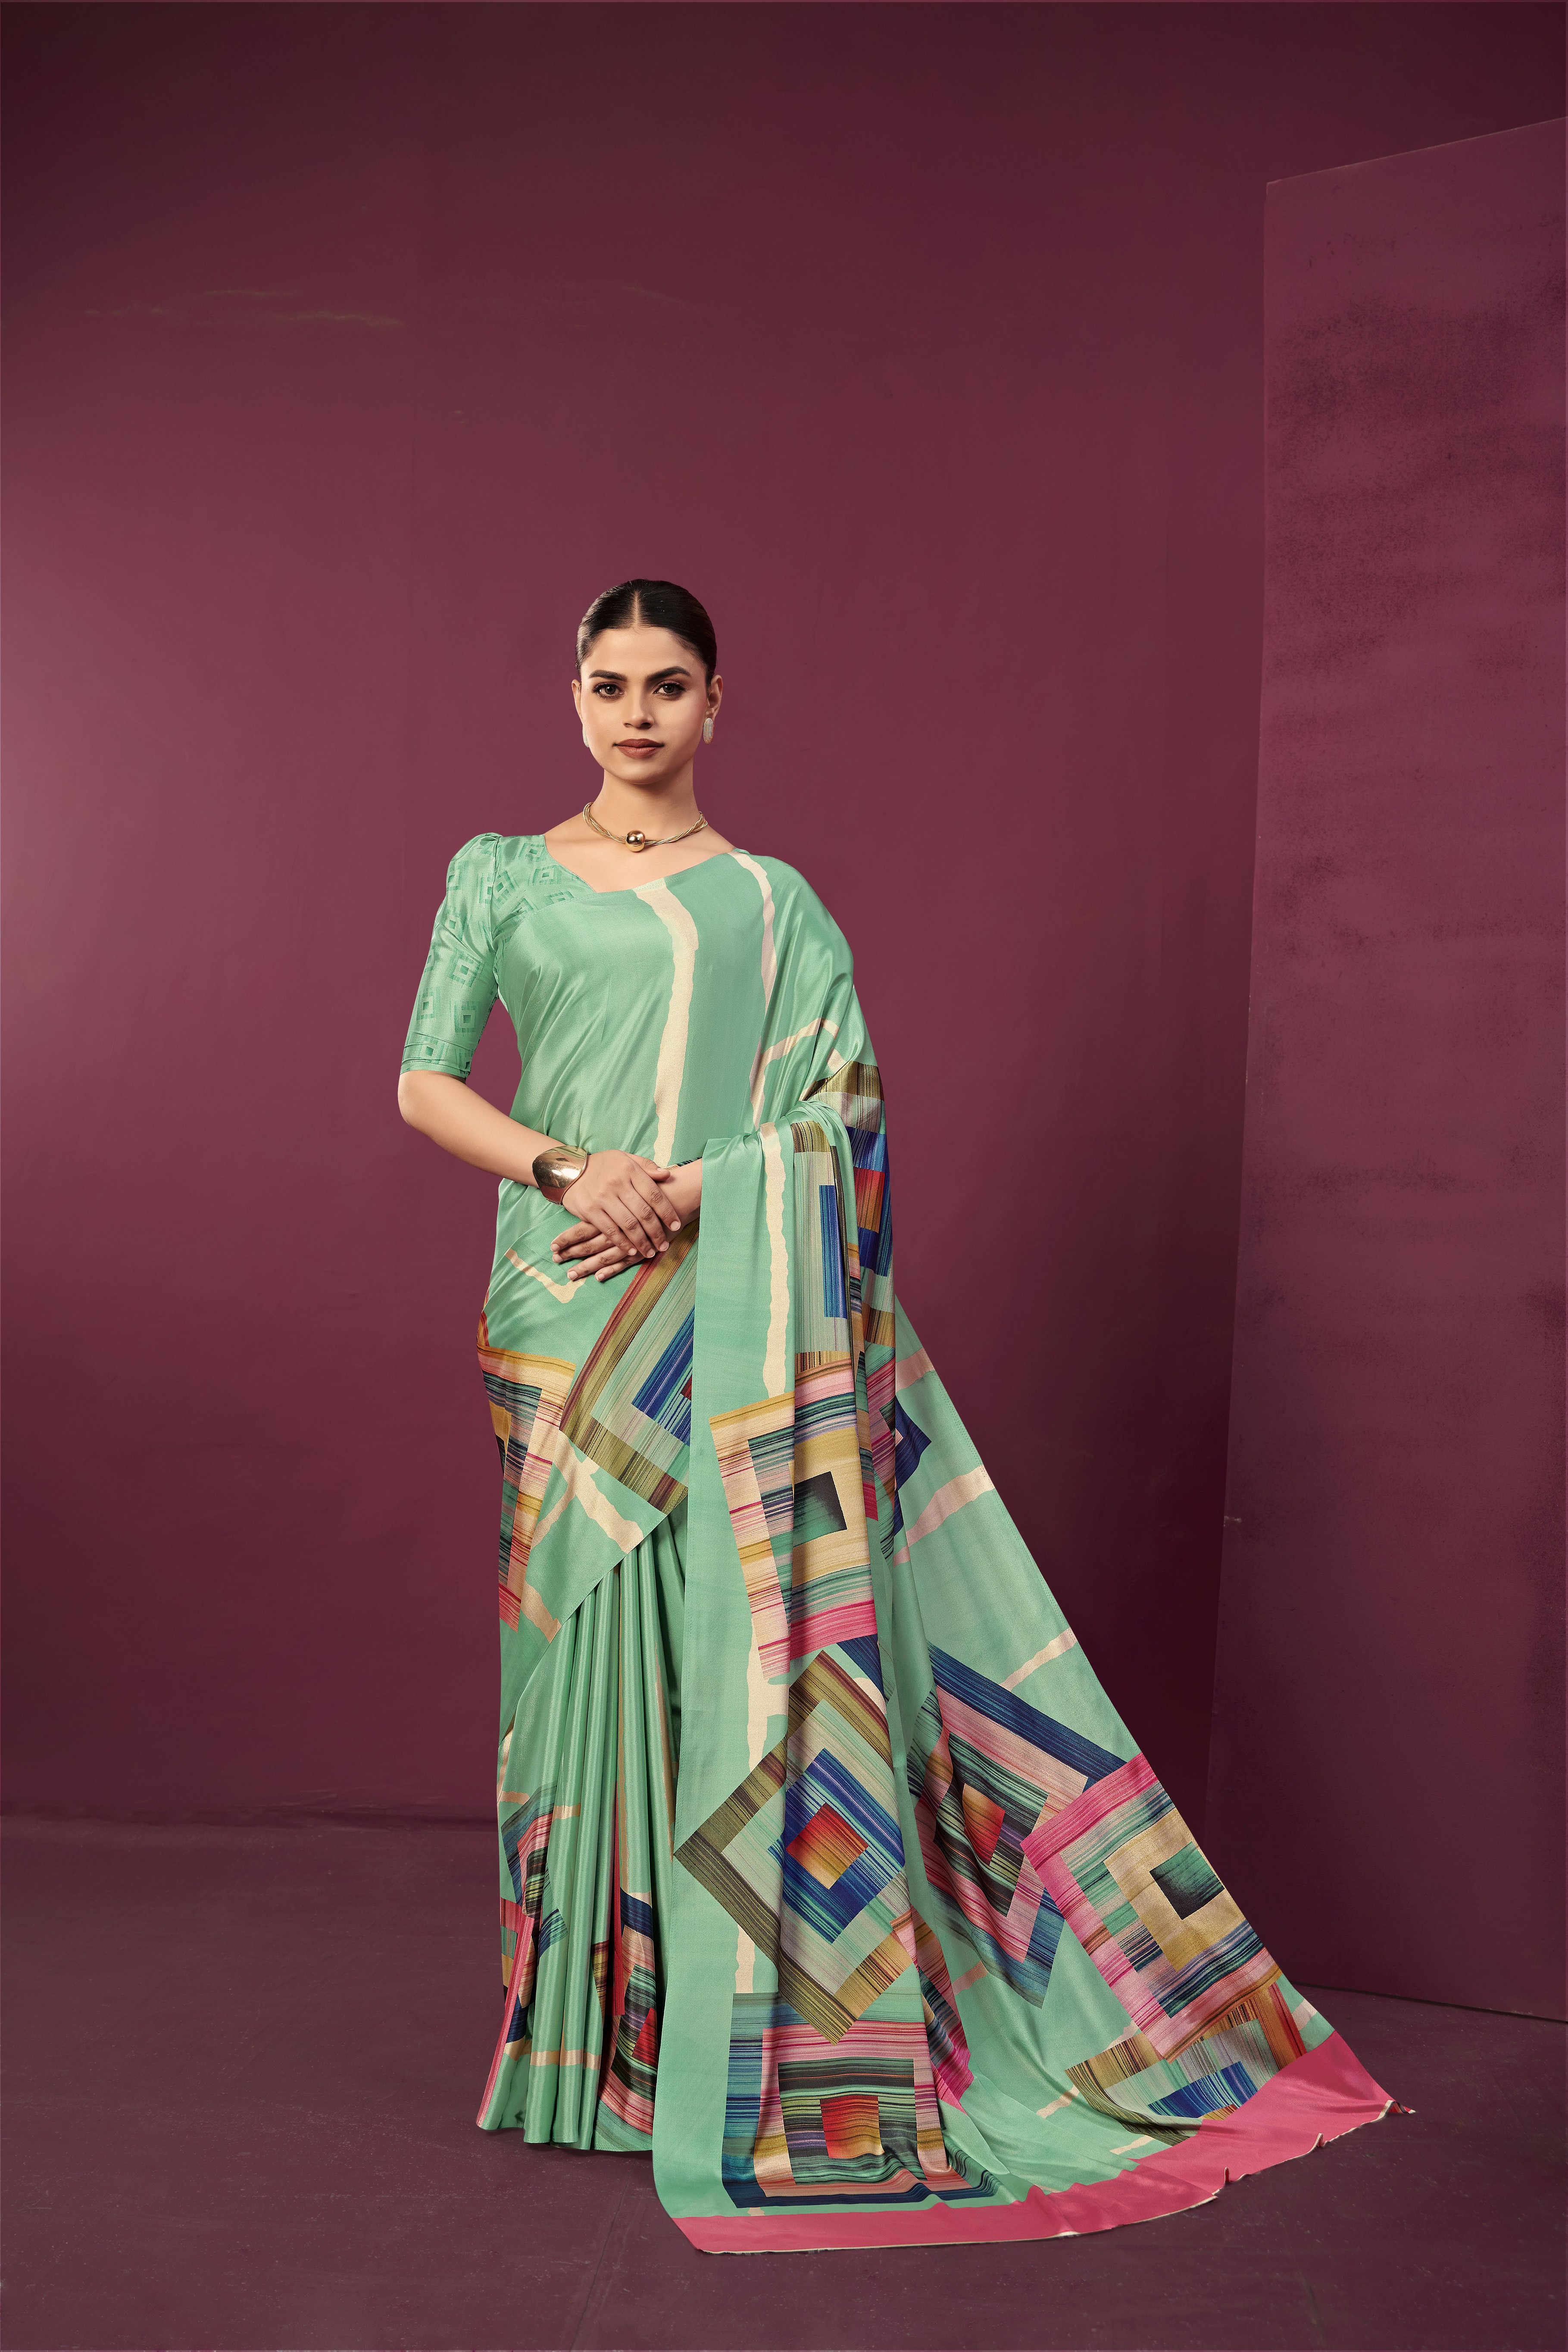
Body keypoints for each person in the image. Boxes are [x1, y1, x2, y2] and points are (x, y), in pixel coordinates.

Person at [397, 578, 1394, 2254]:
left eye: (667, 685)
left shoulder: (777, 907)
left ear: (718, 705)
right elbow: (425, 1080)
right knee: (573, 1667)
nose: (635, 713)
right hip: (559, 1311)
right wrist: (576, 1171)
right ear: (573, 699)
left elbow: (840, 1124)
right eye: (609, 684)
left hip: (721, 1305)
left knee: (727, 1651)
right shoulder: (497, 875)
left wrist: (691, 1193)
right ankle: (583, 2054)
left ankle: (710, 2043)